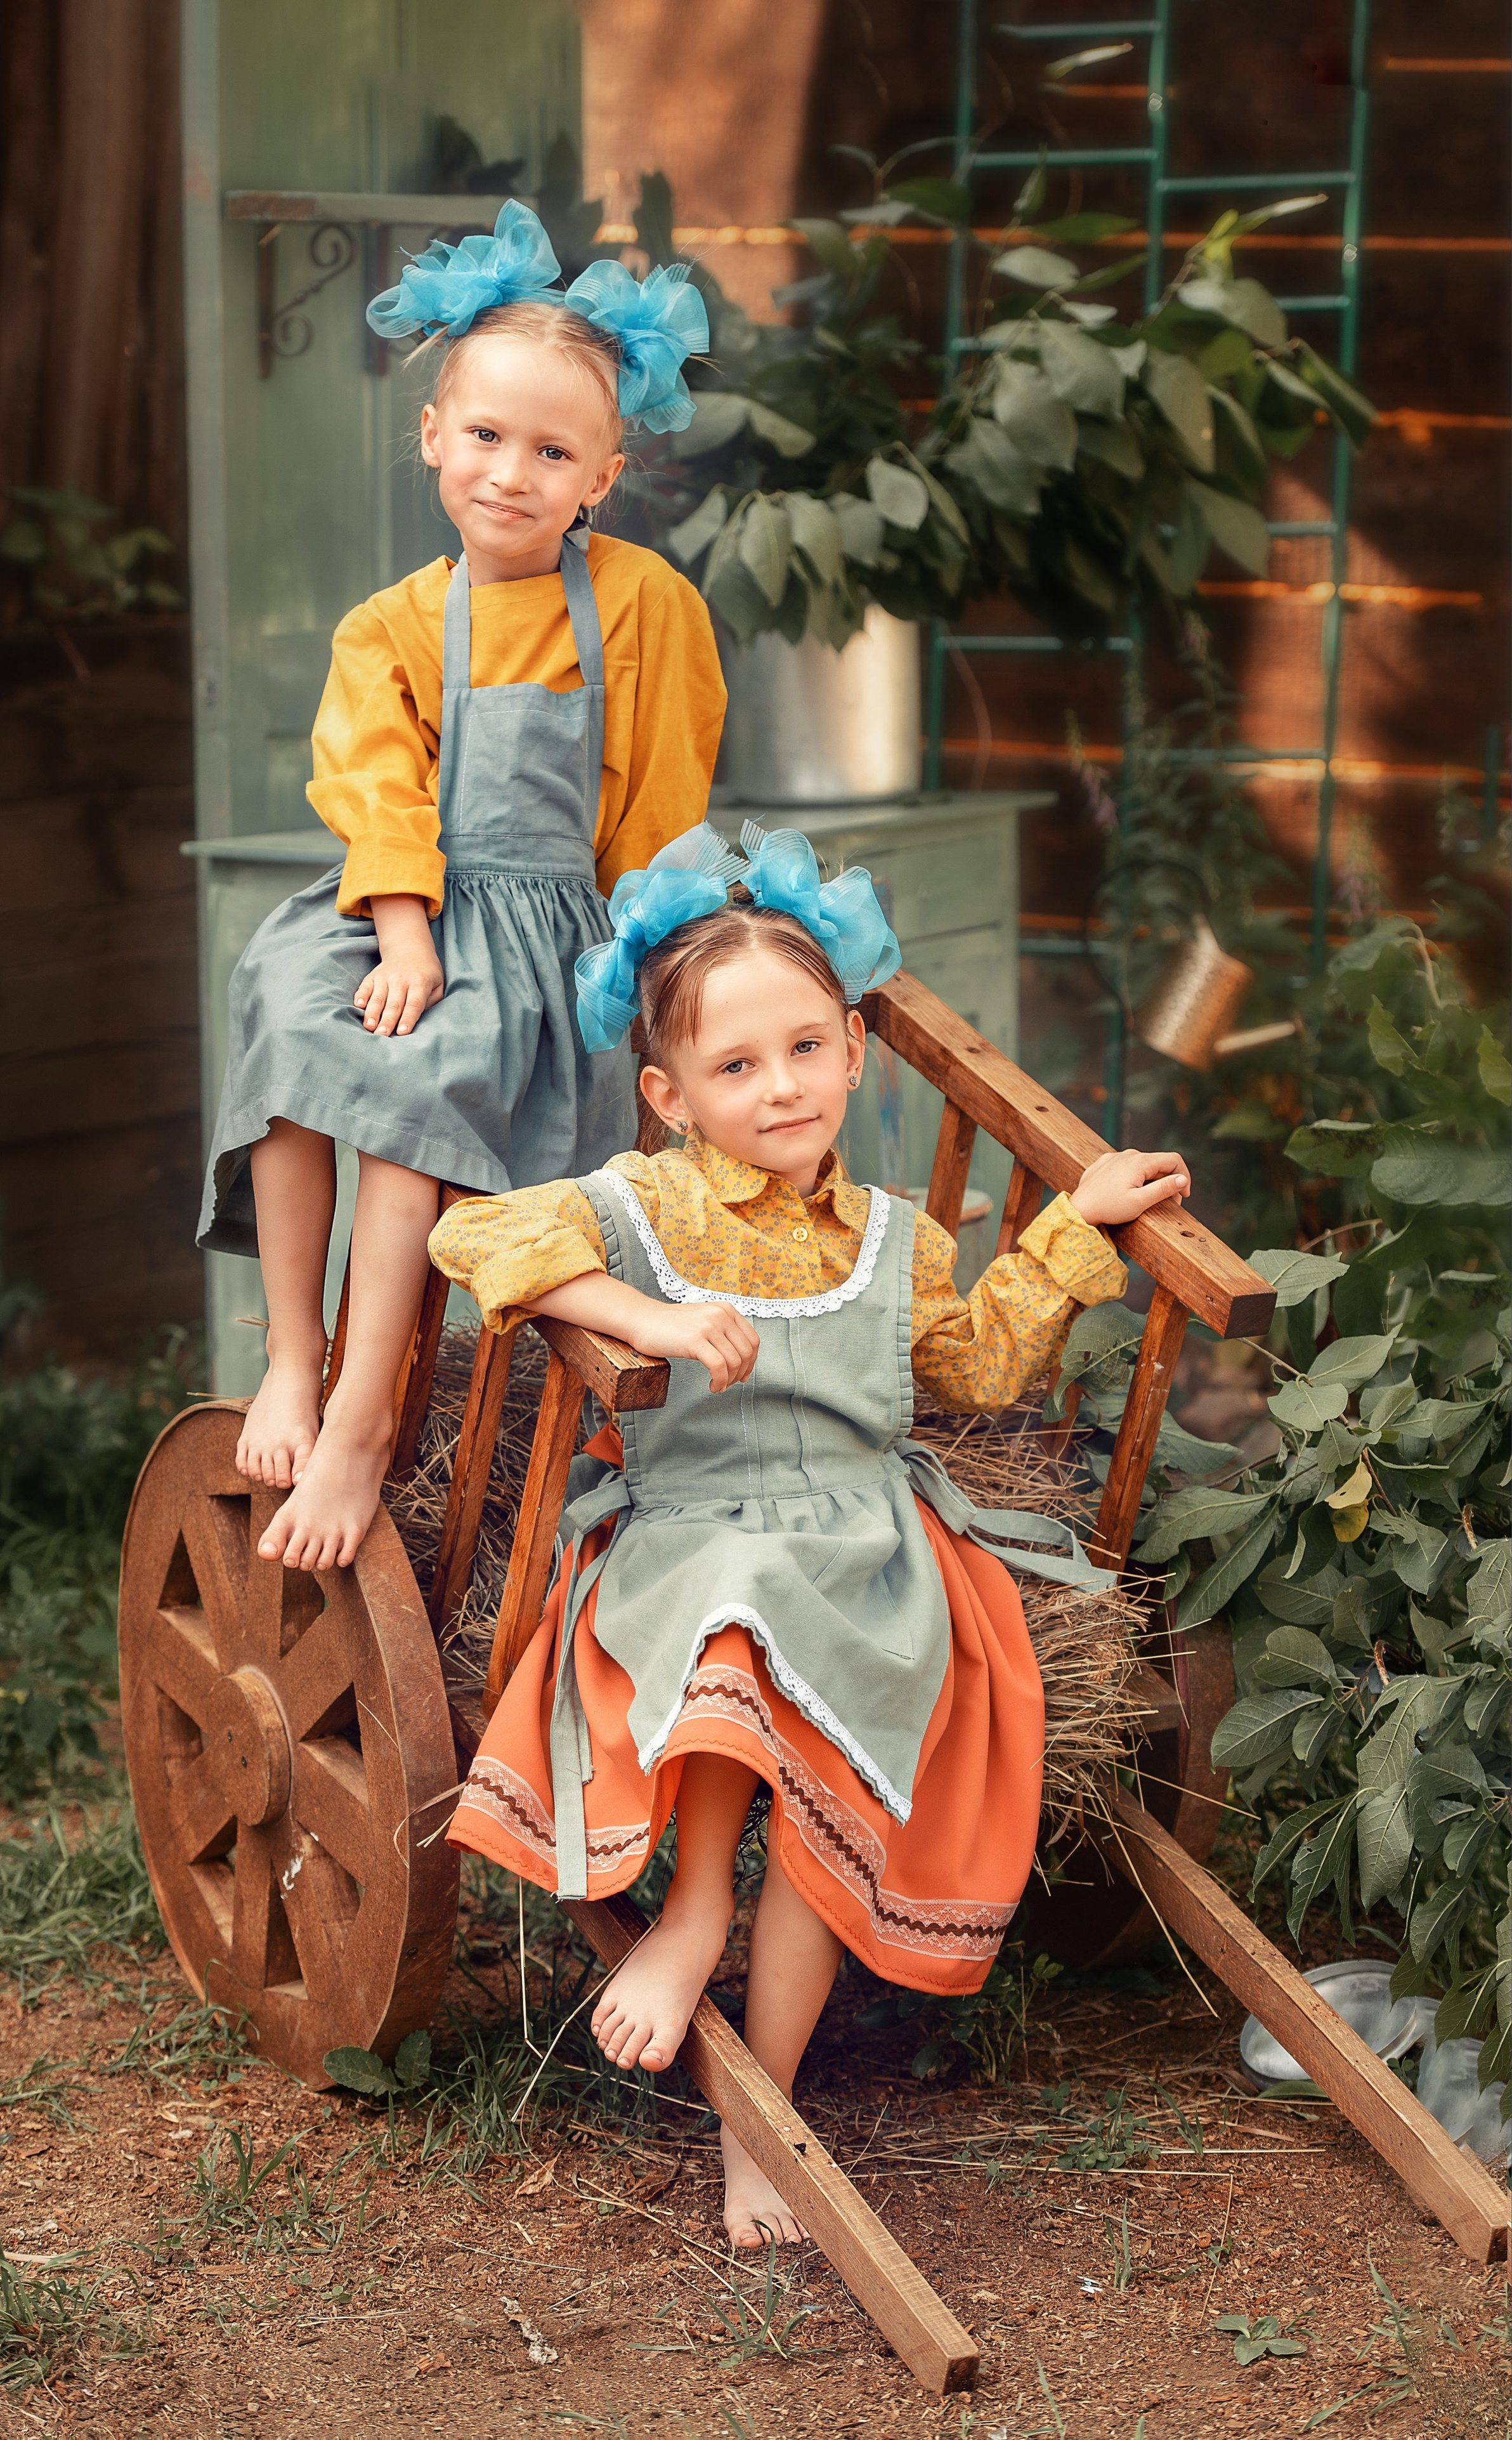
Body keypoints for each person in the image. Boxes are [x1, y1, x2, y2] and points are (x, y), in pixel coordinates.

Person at [430, 823, 1192, 2249]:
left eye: (800, 1049)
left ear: (851, 1048)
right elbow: (471, 1240)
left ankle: (757, 2115)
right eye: (732, 1066)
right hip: (691, 1538)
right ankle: (689, 1909)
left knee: (825, 1802)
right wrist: (644, 1316)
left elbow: (971, 1367)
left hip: (867, 1553)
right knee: (734, 1600)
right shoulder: (643, 1205)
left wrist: (1070, 1229)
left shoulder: (894, 1237)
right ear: (666, 1095)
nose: (775, 1085)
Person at [196, 204, 723, 1574]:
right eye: (485, 436)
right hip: (405, 910)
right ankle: (297, 1358)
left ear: (602, 477)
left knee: (415, 1084)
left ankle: (368, 1419)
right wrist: (406, 929)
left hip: (557, 933)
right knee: (293, 1013)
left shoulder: (643, 605)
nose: (511, 473)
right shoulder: (387, 626)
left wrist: (650, 980)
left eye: (553, 452)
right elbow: (375, 793)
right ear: (433, 434)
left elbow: (659, 810)